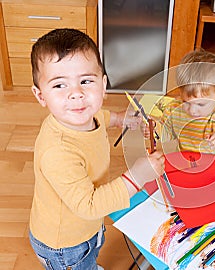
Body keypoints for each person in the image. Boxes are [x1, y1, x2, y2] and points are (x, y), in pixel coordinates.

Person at [28, 28, 165, 270]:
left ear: (103, 84)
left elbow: (100, 116)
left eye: (86, 81)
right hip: (66, 244)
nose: (77, 94)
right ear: (40, 96)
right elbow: (89, 206)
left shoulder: (83, 115)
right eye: (60, 85)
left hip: (85, 226)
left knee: (92, 253)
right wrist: (137, 176)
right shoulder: (58, 152)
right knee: (84, 262)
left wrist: (122, 119)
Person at [146, 49, 215, 156]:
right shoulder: (175, 108)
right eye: (186, 102)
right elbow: (167, 133)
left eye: (201, 104)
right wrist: (154, 129)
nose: (192, 110)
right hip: (186, 162)